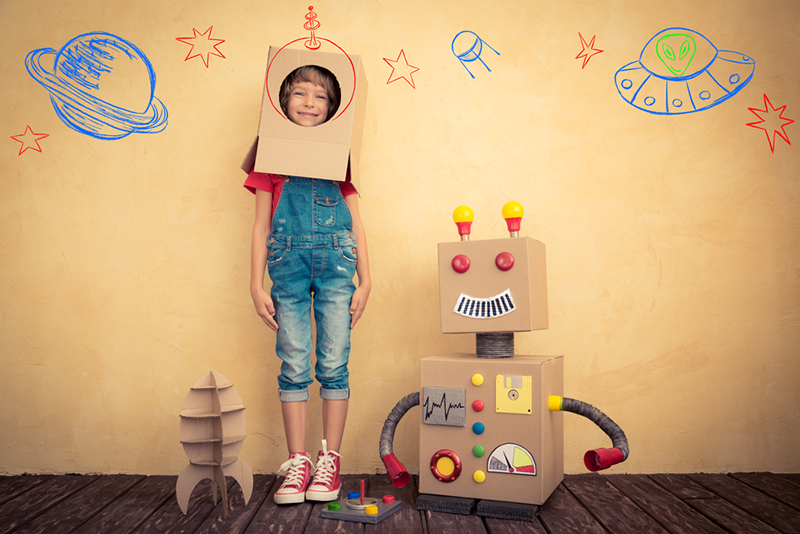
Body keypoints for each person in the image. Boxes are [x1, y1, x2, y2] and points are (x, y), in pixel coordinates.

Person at [245, 65, 371, 504]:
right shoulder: (270, 154)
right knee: (294, 363)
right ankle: (298, 462)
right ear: (282, 103)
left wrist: (366, 279)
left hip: (338, 265)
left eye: (320, 97)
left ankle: (329, 462)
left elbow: (355, 221)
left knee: (334, 364)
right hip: (288, 266)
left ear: (333, 107)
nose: (309, 103)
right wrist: (255, 283)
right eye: (299, 94)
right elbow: (262, 225)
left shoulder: (340, 153)